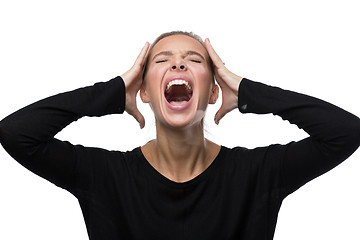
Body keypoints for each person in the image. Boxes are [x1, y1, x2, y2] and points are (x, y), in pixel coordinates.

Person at [0, 31, 359, 240]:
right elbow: (17, 133)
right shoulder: (104, 177)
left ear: (215, 92)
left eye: (194, 60)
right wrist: (111, 92)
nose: (178, 64)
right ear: (143, 91)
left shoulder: (257, 173)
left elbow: (345, 133)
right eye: (161, 61)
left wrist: (249, 92)